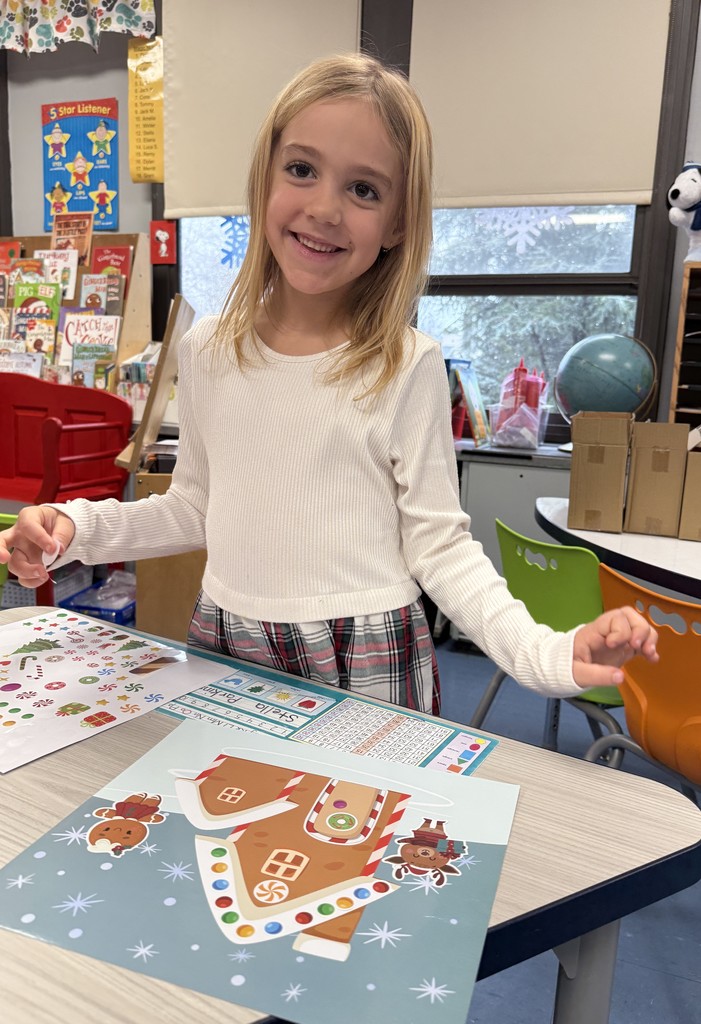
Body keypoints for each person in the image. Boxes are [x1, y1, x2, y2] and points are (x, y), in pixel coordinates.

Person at [0, 53, 658, 715]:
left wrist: (544, 652)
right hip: (226, 635)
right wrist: (73, 529)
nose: (323, 208)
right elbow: (195, 507)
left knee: (360, 822)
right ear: (265, 178)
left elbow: (438, 545)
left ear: (398, 222)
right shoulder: (206, 351)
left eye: (364, 189)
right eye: (301, 169)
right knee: (223, 813)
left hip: (365, 654)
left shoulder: (407, 364)